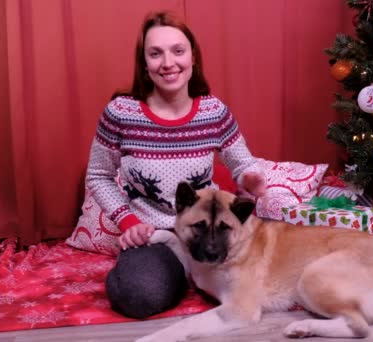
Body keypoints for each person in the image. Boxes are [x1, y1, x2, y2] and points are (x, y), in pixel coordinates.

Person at [85, 10, 266, 319]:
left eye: (178, 51)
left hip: (207, 232)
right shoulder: (121, 112)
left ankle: (191, 273)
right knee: (138, 296)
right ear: (144, 63)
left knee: (263, 283)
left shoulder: (213, 111)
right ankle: (178, 272)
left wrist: (249, 179)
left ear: (192, 57)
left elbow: (242, 164)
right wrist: (128, 223)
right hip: (154, 236)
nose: (168, 63)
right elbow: (98, 175)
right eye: (155, 54)